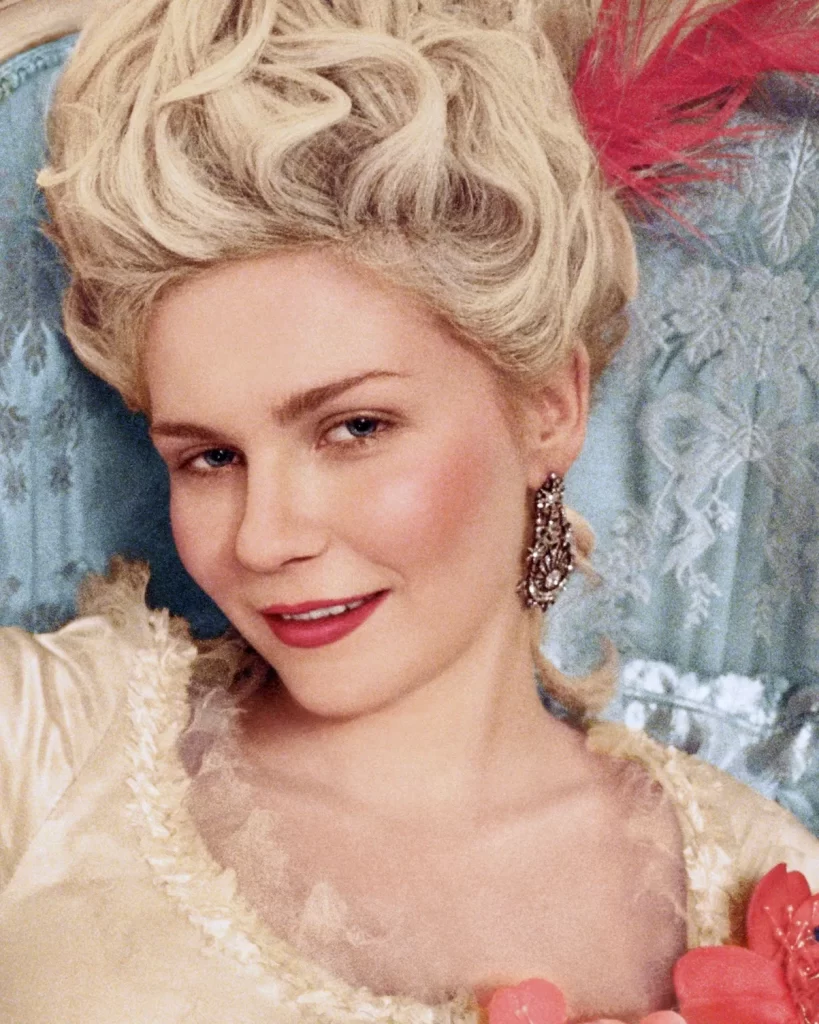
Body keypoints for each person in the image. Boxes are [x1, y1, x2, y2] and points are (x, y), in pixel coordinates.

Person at [1, 1, 817, 1022]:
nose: (265, 537)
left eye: (354, 428)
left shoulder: (757, 875)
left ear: (547, 407)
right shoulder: (43, 745)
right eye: (210, 457)